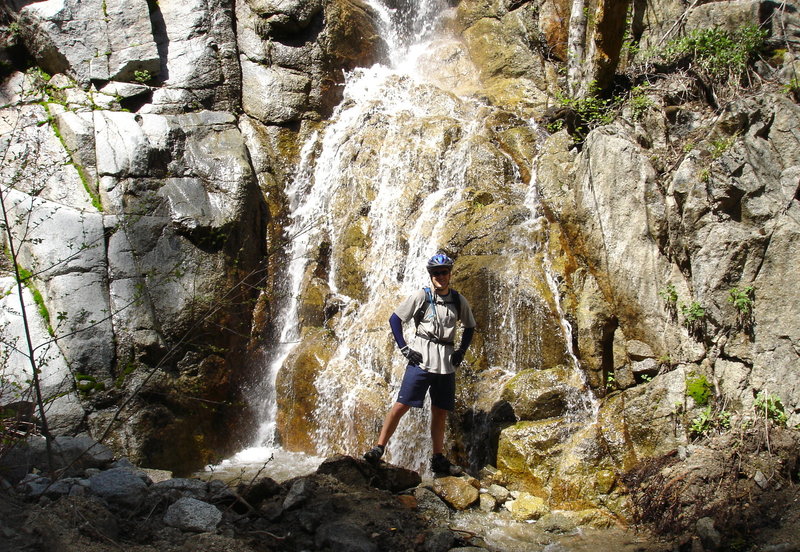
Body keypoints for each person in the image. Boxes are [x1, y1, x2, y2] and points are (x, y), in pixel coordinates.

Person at [364, 253, 476, 475]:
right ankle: (379, 447)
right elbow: (395, 319)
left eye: (444, 272)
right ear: (430, 275)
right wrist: (405, 349)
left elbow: (470, 326)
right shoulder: (421, 296)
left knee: (440, 410)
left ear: (449, 274)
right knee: (402, 404)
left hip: (446, 362)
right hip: (422, 358)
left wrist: (462, 350)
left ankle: (437, 458)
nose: (441, 276)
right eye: (436, 273)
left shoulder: (457, 299)